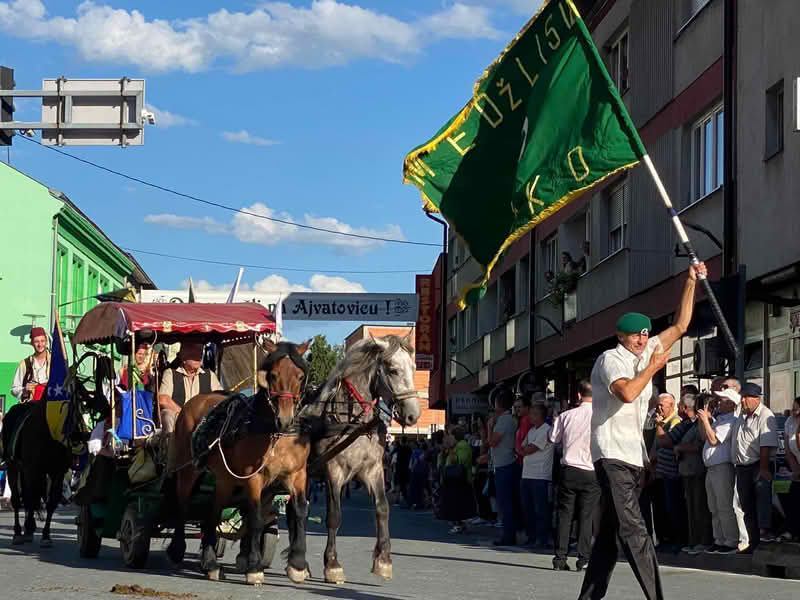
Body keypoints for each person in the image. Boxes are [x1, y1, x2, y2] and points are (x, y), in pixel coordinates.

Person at [578, 261, 706, 600]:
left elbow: (680, 325)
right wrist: (651, 367)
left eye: (646, 334)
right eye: (635, 335)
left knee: (609, 537)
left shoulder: (647, 349)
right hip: (611, 455)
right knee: (635, 530)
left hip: (633, 457)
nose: (642, 339)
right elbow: (628, 392)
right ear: (621, 336)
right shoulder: (611, 360)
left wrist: (690, 281)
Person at [550, 380, 599, 572]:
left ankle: (560, 558)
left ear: (578, 395)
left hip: (569, 469)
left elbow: (554, 439)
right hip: (591, 470)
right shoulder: (600, 416)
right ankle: (584, 558)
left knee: (565, 514)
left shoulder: (566, 415)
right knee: (586, 515)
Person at [659, 393, 712, 554]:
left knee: (699, 507)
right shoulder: (689, 424)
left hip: (696, 469)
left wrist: (679, 448)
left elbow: (699, 445)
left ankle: (702, 540)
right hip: (686, 471)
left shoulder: (700, 424)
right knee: (691, 508)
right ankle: (693, 540)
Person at [732, 382, 778, 550]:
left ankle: (765, 535)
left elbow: (765, 444)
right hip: (742, 466)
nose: (742, 401)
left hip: (759, 464)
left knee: (761, 499)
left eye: (745, 398)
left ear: (756, 398)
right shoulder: (742, 415)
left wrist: (764, 469)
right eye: (742, 397)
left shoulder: (765, 415)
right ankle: (753, 542)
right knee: (746, 505)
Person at [696, 387, 740, 554]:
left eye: (722, 400)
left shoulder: (731, 420)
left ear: (731, 404)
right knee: (713, 506)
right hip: (712, 468)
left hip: (722, 467)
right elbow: (703, 436)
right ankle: (719, 539)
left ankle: (730, 540)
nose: (719, 402)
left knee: (724, 505)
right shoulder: (719, 419)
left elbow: (714, 440)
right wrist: (703, 420)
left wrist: (707, 421)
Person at [158, 341, 222, 433]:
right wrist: (186, 415)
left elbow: (220, 399)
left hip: (202, 420)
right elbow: (163, 400)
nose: (199, 356)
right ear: (184, 358)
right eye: (195, 353)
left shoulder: (209, 375)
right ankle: (170, 446)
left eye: (200, 353)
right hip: (178, 417)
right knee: (167, 415)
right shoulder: (171, 373)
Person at [651, 392, 684, 552]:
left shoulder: (674, 421)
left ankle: (675, 539)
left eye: (662, 405)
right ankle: (664, 538)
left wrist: (659, 426)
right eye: (658, 405)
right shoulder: (661, 422)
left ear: (672, 405)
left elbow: (666, 442)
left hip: (671, 473)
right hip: (660, 473)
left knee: (673, 507)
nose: (659, 408)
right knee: (662, 508)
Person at [519, 404, 553, 549]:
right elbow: (521, 447)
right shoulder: (532, 430)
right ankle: (531, 536)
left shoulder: (547, 430)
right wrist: (524, 450)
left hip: (540, 475)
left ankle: (542, 538)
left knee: (541, 509)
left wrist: (525, 450)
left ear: (541, 416)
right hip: (526, 473)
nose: (530, 417)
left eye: (533, 414)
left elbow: (530, 449)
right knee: (528, 508)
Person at [488, 388, 518, 546]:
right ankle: (508, 532)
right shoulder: (510, 419)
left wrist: (489, 427)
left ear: (498, 405)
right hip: (506, 462)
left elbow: (493, 441)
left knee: (505, 502)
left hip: (504, 464)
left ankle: (508, 535)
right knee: (507, 502)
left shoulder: (504, 420)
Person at [10, 326, 50, 403]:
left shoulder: (54, 361)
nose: (40, 344)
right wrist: (24, 389)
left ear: (46, 341)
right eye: (36, 341)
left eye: (42, 341)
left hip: (51, 403)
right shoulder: (24, 363)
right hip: (30, 405)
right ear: (32, 343)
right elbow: (14, 389)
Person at [780, 397, 800, 541]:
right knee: (793, 496)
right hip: (797, 465)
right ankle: (792, 530)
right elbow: (788, 449)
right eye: (792, 408)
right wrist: (795, 470)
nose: (792, 411)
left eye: (796, 409)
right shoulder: (789, 422)